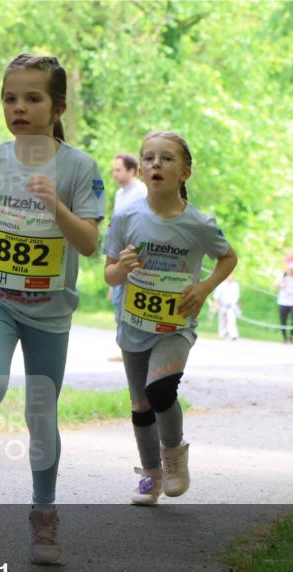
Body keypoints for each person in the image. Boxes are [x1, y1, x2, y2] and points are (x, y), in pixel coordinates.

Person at [0, 53, 105, 563]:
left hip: (50, 312)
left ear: (58, 106)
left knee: (41, 415)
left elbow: (88, 243)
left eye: (32, 98)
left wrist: (57, 208)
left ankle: (44, 517)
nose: (18, 107)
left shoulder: (78, 167)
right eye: (9, 98)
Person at [103, 130, 237, 506]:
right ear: (141, 170)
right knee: (140, 403)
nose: (155, 164)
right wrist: (122, 269)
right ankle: (150, 476)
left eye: (166, 158)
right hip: (134, 323)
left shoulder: (198, 224)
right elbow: (109, 274)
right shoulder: (127, 217)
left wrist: (204, 287)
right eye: (148, 158)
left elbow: (228, 257)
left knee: (160, 390)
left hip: (175, 326)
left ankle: (174, 455)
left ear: (185, 172)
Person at [108, 153, 148, 314]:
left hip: (136, 256)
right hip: (119, 254)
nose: (114, 173)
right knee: (118, 309)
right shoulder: (119, 194)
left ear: (131, 171)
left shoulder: (141, 191)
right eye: (114, 170)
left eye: (118, 170)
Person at [274, 262, 293, 343]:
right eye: (290, 269)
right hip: (283, 301)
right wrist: (281, 282)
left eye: (292, 269)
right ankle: (284, 338)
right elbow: (275, 285)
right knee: (283, 321)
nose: (291, 271)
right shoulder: (282, 275)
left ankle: (291, 336)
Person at [212, 275, 241, 340]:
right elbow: (216, 297)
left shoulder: (235, 285)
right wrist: (215, 305)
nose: (230, 277)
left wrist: (239, 307)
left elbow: (238, 297)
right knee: (222, 321)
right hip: (222, 306)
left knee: (231, 320)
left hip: (232, 306)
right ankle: (222, 334)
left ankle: (233, 335)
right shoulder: (220, 284)